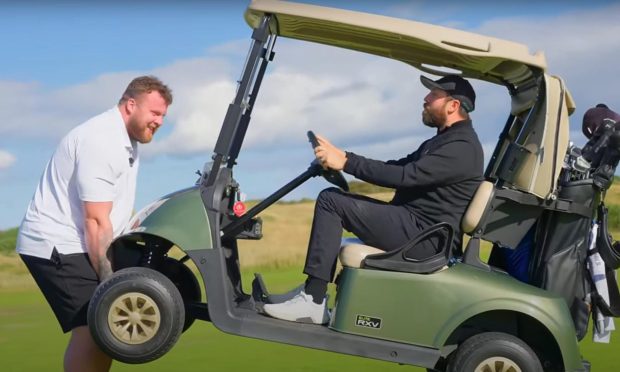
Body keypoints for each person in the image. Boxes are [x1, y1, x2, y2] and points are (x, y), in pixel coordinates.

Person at [263, 74, 484, 325]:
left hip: (425, 238)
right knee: (334, 199)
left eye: (433, 95)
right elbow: (396, 166)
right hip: (416, 228)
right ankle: (310, 292)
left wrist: (346, 162)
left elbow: (404, 176)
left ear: (452, 105)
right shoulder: (443, 140)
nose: (425, 99)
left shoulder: (462, 147)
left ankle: (312, 301)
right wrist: (345, 157)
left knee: (331, 201)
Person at [16, 76, 173, 372]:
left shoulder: (124, 139)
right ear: (130, 105)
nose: (160, 121)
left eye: (163, 115)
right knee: (95, 327)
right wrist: (109, 283)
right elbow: (96, 221)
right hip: (57, 244)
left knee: (105, 328)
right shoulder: (102, 141)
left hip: (81, 240)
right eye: (155, 113)